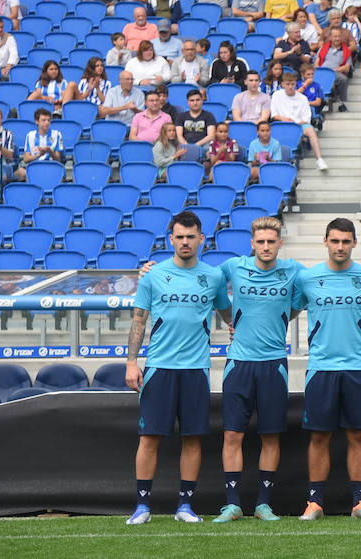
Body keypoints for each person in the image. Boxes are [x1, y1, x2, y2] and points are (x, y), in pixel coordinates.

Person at [124, 211, 232, 525]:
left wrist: (235, 327)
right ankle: (142, 506)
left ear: (201, 239)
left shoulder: (213, 277)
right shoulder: (153, 275)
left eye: (191, 236)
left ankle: (185, 507)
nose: (185, 242)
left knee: (193, 438)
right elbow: (139, 321)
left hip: (196, 369)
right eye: (179, 237)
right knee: (149, 438)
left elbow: (228, 314)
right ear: (171, 239)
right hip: (159, 367)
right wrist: (131, 362)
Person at [292, 218, 361, 521]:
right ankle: (315, 503)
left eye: (346, 241)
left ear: (354, 243)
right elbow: (286, 309)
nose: (340, 246)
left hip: (357, 367)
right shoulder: (308, 278)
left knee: (358, 436)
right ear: (325, 242)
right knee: (319, 437)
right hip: (321, 368)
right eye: (335, 241)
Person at [317, 27, 352, 111]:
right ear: (330, 38)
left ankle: (342, 101)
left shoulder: (346, 51)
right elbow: (317, 60)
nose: (337, 38)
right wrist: (317, 69)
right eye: (335, 36)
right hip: (322, 71)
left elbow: (347, 67)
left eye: (339, 36)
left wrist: (334, 70)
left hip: (335, 72)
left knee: (343, 79)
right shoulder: (323, 48)